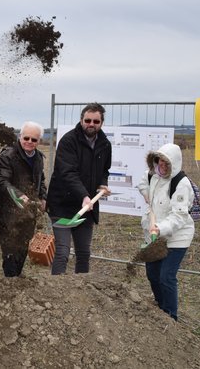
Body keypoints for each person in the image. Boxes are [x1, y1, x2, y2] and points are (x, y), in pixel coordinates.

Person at [47, 103, 112, 275]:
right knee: (62, 252)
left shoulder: (105, 144)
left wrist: (102, 183)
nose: (91, 124)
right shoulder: (69, 141)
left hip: (86, 206)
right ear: (81, 120)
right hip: (62, 204)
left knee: (83, 253)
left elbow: (104, 169)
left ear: (101, 122)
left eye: (96, 121)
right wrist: (84, 195)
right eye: (88, 120)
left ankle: (82, 293)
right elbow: (67, 173)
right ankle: (55, 290)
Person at [136, 143, 194, 321]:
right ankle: (161, 309)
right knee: (152, 274)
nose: (162, 165)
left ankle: (171, 317)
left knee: (166, 276)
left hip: (177, 237)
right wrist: (147, 194)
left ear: (174, 163)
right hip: (154, 236)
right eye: (160, 161)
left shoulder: (181, 184)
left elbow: (179, 216)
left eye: (166, 163)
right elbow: (142, 182)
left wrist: (161, 228)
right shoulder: (154, 175)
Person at [0, 121, 47, 277]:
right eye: (26, 138)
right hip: (8, 215)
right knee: (10, 254)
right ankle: (10, 283)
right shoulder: (8, 156)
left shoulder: (38, 158)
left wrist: (43, 197)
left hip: (28, 215)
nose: (29, 142)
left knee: (22, 251)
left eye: (34, 140)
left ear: (39, 141)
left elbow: (40, 180)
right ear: (20, 137)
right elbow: (1, 181)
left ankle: (16, 281)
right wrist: (18, 194)